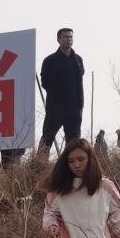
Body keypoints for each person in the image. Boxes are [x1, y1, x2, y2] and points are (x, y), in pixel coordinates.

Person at [37, 28, 85, 159]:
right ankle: (39, 165)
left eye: (71, 37)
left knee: (74, 141)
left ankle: (70, 166)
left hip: (74, 107)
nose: (69, 39)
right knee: (47, 137)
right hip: (55, 107)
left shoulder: (78, 60)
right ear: (58, 40)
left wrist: (79, 106)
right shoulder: (50, 60)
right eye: (65, 37)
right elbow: (45, 82)